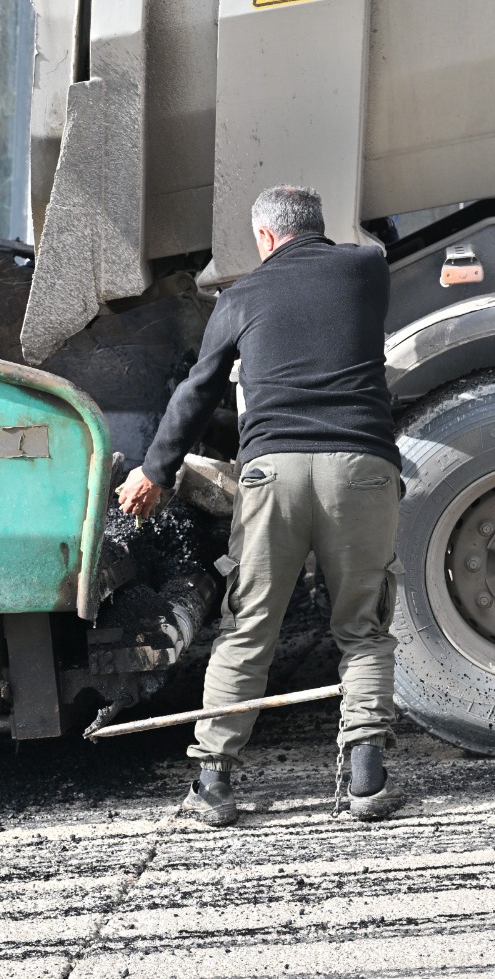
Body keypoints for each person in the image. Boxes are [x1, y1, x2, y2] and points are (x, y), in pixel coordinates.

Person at [116, 185, 404, 827]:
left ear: (265, 240)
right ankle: (366, 779)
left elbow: (197, 393)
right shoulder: (365, 268)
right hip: (360, 467)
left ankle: (213, 783)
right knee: (362, 627)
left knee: (249, 627)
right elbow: (378, 241)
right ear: (319, 229)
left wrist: (155, 473)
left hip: (272, 475)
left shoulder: (239, 298)